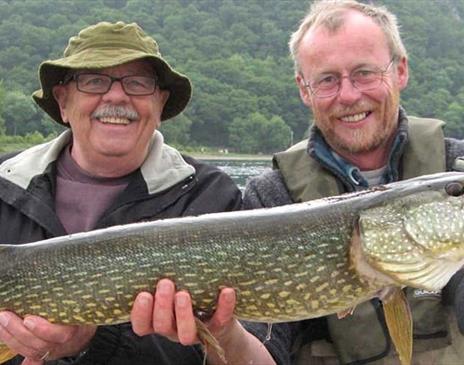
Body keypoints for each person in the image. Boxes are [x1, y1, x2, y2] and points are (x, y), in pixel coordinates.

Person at [0, 21, 278, 365]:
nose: (116, 96)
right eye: (94, 81)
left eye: (138, 83)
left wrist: (91, 340)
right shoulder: (4, 186)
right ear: (63, 101)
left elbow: (259, 356)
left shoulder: (210, 197)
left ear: (160, 103)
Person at [243, 0, 464, 364]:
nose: (348, 95)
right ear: (304, 89)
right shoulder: (272, 195)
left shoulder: (454, 165)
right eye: (328, 79)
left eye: (365, 73)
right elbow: (264, 346)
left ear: (401, 71)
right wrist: (222, 333)